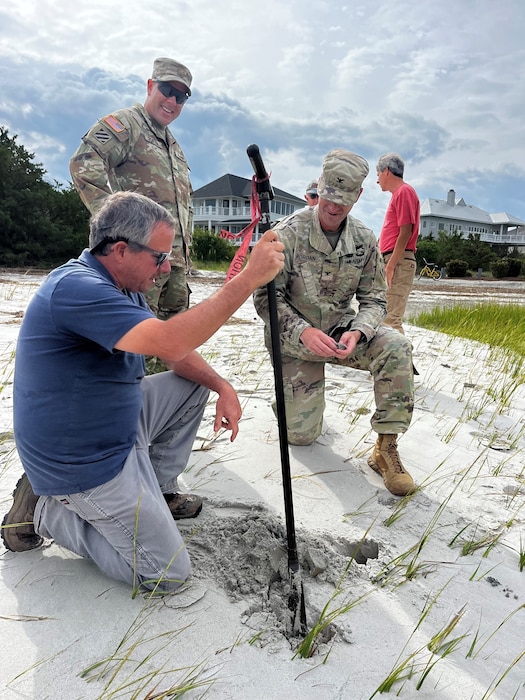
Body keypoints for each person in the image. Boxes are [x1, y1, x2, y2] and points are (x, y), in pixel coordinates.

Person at [1, 192, 284, 593]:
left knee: (192, 386)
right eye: (159, 257)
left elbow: (171, 350)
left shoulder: (122, 285)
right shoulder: (77, 289)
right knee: (167, 572)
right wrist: (248, 279)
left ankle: (159, 491)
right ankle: (45, 512)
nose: (166, 267)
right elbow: (170, 341)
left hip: (113, 421)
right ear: (120, 250)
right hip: (83, 459)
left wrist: (222, 385)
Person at [253, 149, 415, 497]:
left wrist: (359, 330)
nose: (333, 206)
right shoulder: (287, 233)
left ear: (358, 196)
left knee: (397, 346)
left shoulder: (364, 239)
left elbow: (374, 299)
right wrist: (303, 332)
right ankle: (288, 401)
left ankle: (385, 448)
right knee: (300, 436)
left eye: (343, 200)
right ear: (320, 186)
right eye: (328, 196)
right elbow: (265, 299)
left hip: (341, 334)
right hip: (295, 340)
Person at [70, 57, 193, 337]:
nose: (173, 101)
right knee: (134, 342)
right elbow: (84, 163)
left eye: (181, 96)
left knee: (172, 345)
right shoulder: (128, 125)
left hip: (173, 266)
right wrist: (117, 228)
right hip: (139, 262)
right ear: (151, 86)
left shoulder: (173, 145)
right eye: (167, 90)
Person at [376, 153, 420, 335]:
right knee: (386, 317)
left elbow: (406, 231)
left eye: (377, 174)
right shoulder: (399, 194)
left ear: (386, 171)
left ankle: (402, 362)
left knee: (391, 320)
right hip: (395, 259)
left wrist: (391, 265)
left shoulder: (404, 192)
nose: (377, 180)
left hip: (399, 261)